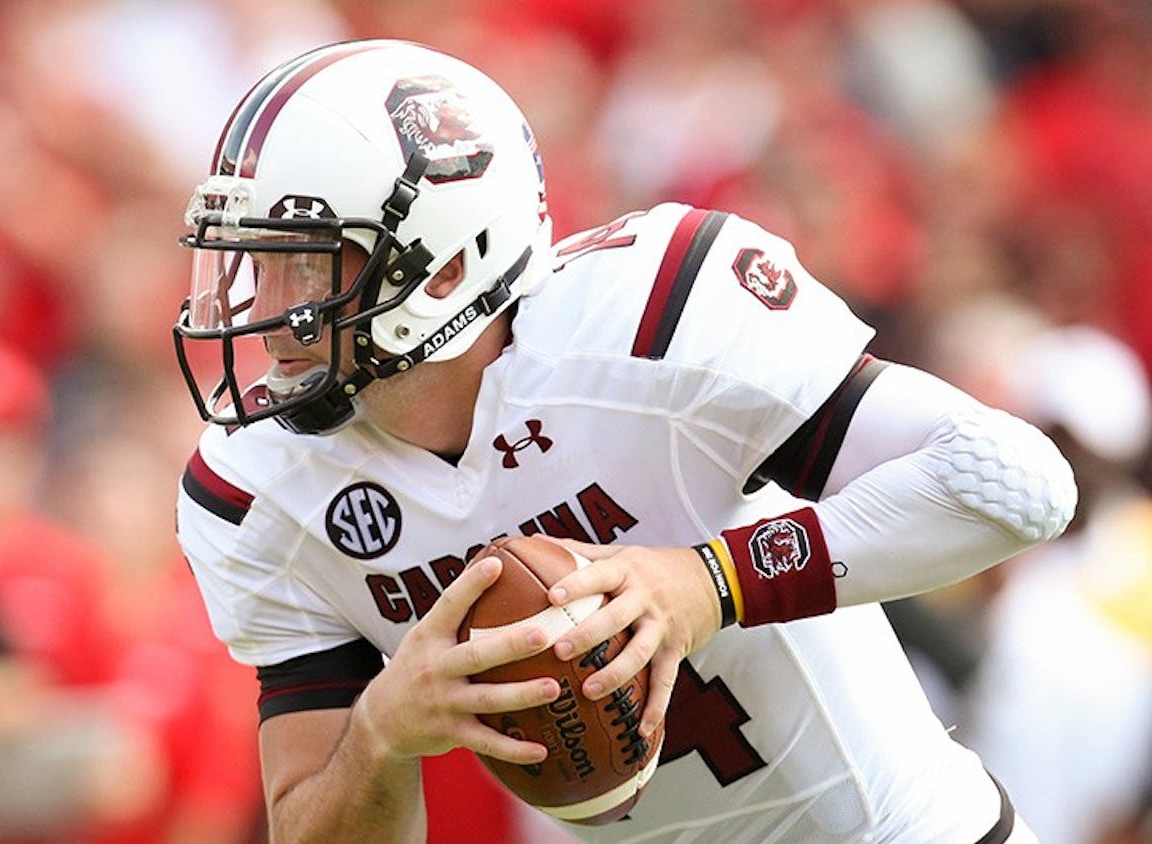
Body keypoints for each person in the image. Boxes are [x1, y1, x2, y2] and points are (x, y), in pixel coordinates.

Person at [170, 40, 1075, 843]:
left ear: (442, 266)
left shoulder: (645, 325)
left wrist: (705, 585)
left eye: (307, 260)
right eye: (254, 260)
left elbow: (1017, 483)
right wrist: (381, 732)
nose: (268, 310)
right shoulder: (259, 489)